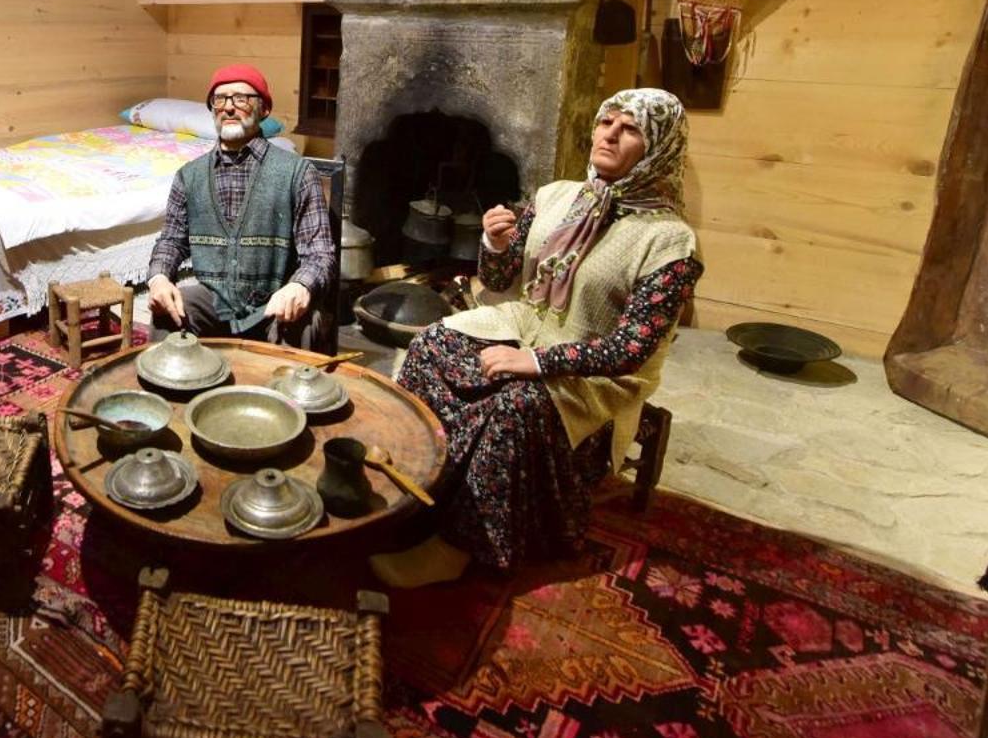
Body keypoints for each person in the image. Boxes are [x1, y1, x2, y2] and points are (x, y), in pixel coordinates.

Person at [371, 88, 703, 589]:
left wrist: (537, 362)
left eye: (630, 128)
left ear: (660, 147)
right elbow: (500, 278)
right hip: (526, 325)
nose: (610, 134)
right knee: (431, 345)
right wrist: (494, 242)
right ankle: (417, 484)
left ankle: (460, 543)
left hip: (596, 374)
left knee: (513, 405)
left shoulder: (670, 241)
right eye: (606, 121)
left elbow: (632, 350)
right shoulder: (557, 197)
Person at [145, 63, 336, 346]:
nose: (229, 107)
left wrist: (300, 285)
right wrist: (159, 278)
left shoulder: (297, 172)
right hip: (214, 301)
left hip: (276, 304)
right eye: (220, 99)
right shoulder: (189, 176)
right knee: (168, 314)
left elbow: (320, 254)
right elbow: (171, 241)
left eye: (241, 98)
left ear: (264, 109)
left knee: (306, 323)